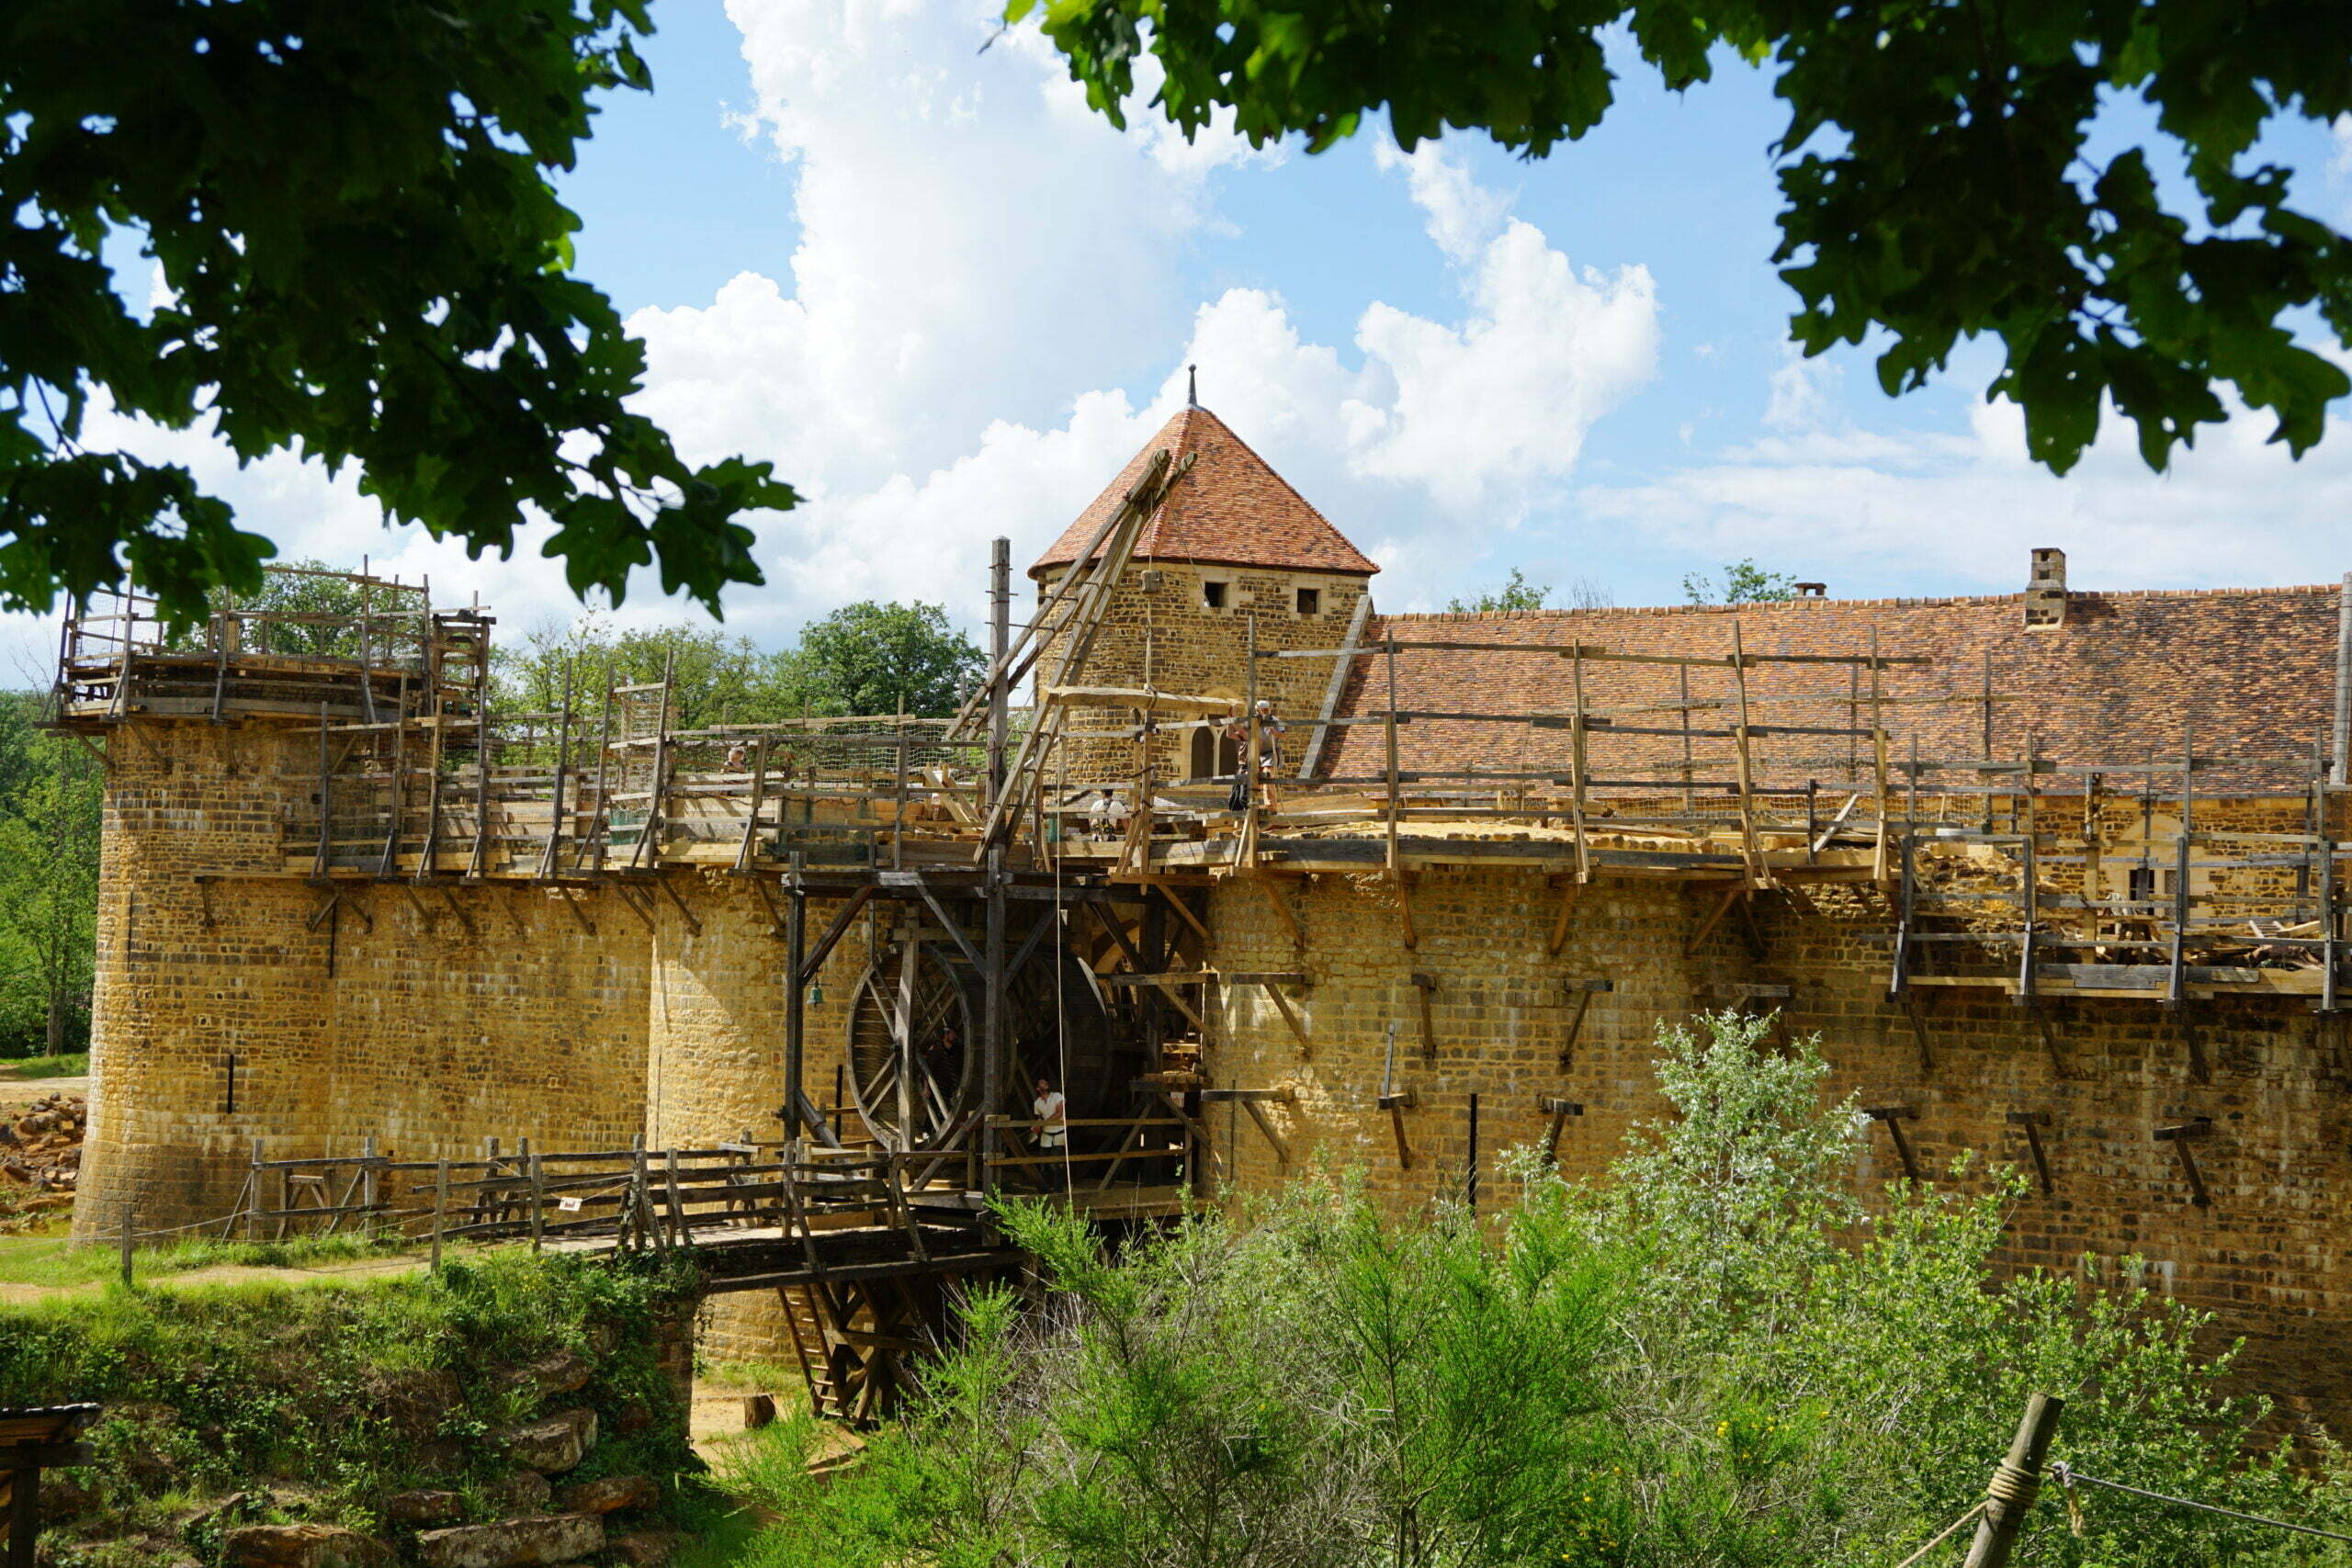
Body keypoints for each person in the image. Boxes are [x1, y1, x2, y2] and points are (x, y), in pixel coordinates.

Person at [1032, 1076, 1068, 1190]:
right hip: (1046, 1135)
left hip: (1059, 1134)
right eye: (1042, 1083)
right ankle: (1045, 1190)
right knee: (1044, 1164)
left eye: (1045, 1082)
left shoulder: (1057, 1096)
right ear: (1038, 1088)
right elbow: (1039, 1119)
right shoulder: (1037, 1103)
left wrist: (1044, 1123)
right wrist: (1037, 1127)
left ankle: (1058, 1190)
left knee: (1055, 1164)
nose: (1045, 1083)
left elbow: (1059, 1113)